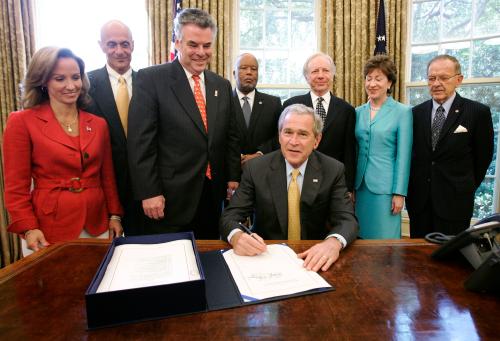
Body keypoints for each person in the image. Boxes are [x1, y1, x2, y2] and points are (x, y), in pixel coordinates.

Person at [127, 8, 240, 238]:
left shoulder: (222, 85)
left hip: (211, 197)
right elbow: (140, 143)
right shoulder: (150, 79)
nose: (201, 52)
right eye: (193, 45)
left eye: (207, 46)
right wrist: (149, 192)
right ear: (177, 42)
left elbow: (230, 136)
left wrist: (232, 177)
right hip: (168, 200)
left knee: (207, 261)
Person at [3, 47, 123, 254]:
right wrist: (29, 227)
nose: (71, 86)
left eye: (76, 77)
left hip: (97, 223)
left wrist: (114, 215)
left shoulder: (98, 124)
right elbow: (16, 187)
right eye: (60, 79)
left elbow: (108, 177)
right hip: (47, 228)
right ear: (43, 81)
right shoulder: (21, 121)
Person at [220, 104, 358, 272]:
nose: (293, 142)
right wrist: (236, 236)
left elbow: (347, 220)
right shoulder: (256, 168)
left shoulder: (332, 169)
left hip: (312, 258)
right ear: (279, 136)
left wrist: (333, 243)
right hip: (265, 257)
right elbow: (230, 216)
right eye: (288, 132)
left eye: (303, 134)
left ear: (317, 140)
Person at [407, 54, 494, 237]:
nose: (436, 83)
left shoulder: (477, 112)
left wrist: (463, 186)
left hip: (455, 203)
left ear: (458, 80)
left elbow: (483, 159)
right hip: (420, 203)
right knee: (417, 260)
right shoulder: (415, 113)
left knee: (450, 261)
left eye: (444, 78)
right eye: (432, 78)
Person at [87, 20, 144, 236]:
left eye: (124, 44)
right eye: (112, 44)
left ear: (132, 45)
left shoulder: (148, 83)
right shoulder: (85, 85)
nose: (119, 51)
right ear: (101, 46)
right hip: (104, 186)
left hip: (144, 187)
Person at [354, 55, 412, 239]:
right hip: (360, 187)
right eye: (368, 78)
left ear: (389, 83)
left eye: (378, 79)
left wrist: (399, 193)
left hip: (386, 190)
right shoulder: (356, 112)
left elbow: (404, 155)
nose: (372, 84)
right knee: (359, 239)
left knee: (384, 242)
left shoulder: (403, 112)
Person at [282, 52, 356, 193]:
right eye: (315, 71)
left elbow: (349, 152)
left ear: (332, 75)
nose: (321, 75)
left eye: (326, 71)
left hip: (334, 181)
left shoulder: (347, 110)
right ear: (306, 76)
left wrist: (349, 187)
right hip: (296, 178)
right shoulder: (290, 105)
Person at [232, 53, 282, 164]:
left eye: (254, 69)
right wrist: (236, 155)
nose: (249, 72)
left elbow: (280, 135)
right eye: (243, 68)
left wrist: (259, 154)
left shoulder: (273, 104)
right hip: (230, 170)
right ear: (234, 73)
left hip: (265, 168)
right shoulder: (223, 101)